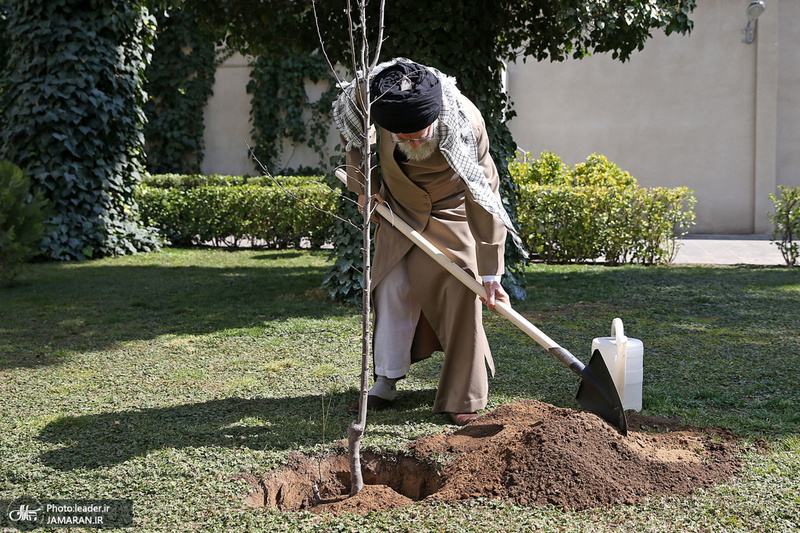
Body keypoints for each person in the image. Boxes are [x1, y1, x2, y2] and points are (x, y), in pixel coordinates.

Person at [333, 58, 522, 426]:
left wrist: (491, 274)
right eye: (402, 137)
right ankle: (386, 379)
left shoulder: (464, 124)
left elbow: (484, 197)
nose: (412, 142)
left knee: (464, 290)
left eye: (419, 134)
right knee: (391, 285)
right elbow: (355, 137)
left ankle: (463, 395)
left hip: (453, 211)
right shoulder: (370, 93)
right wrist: (364, 188)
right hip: (399, 208)